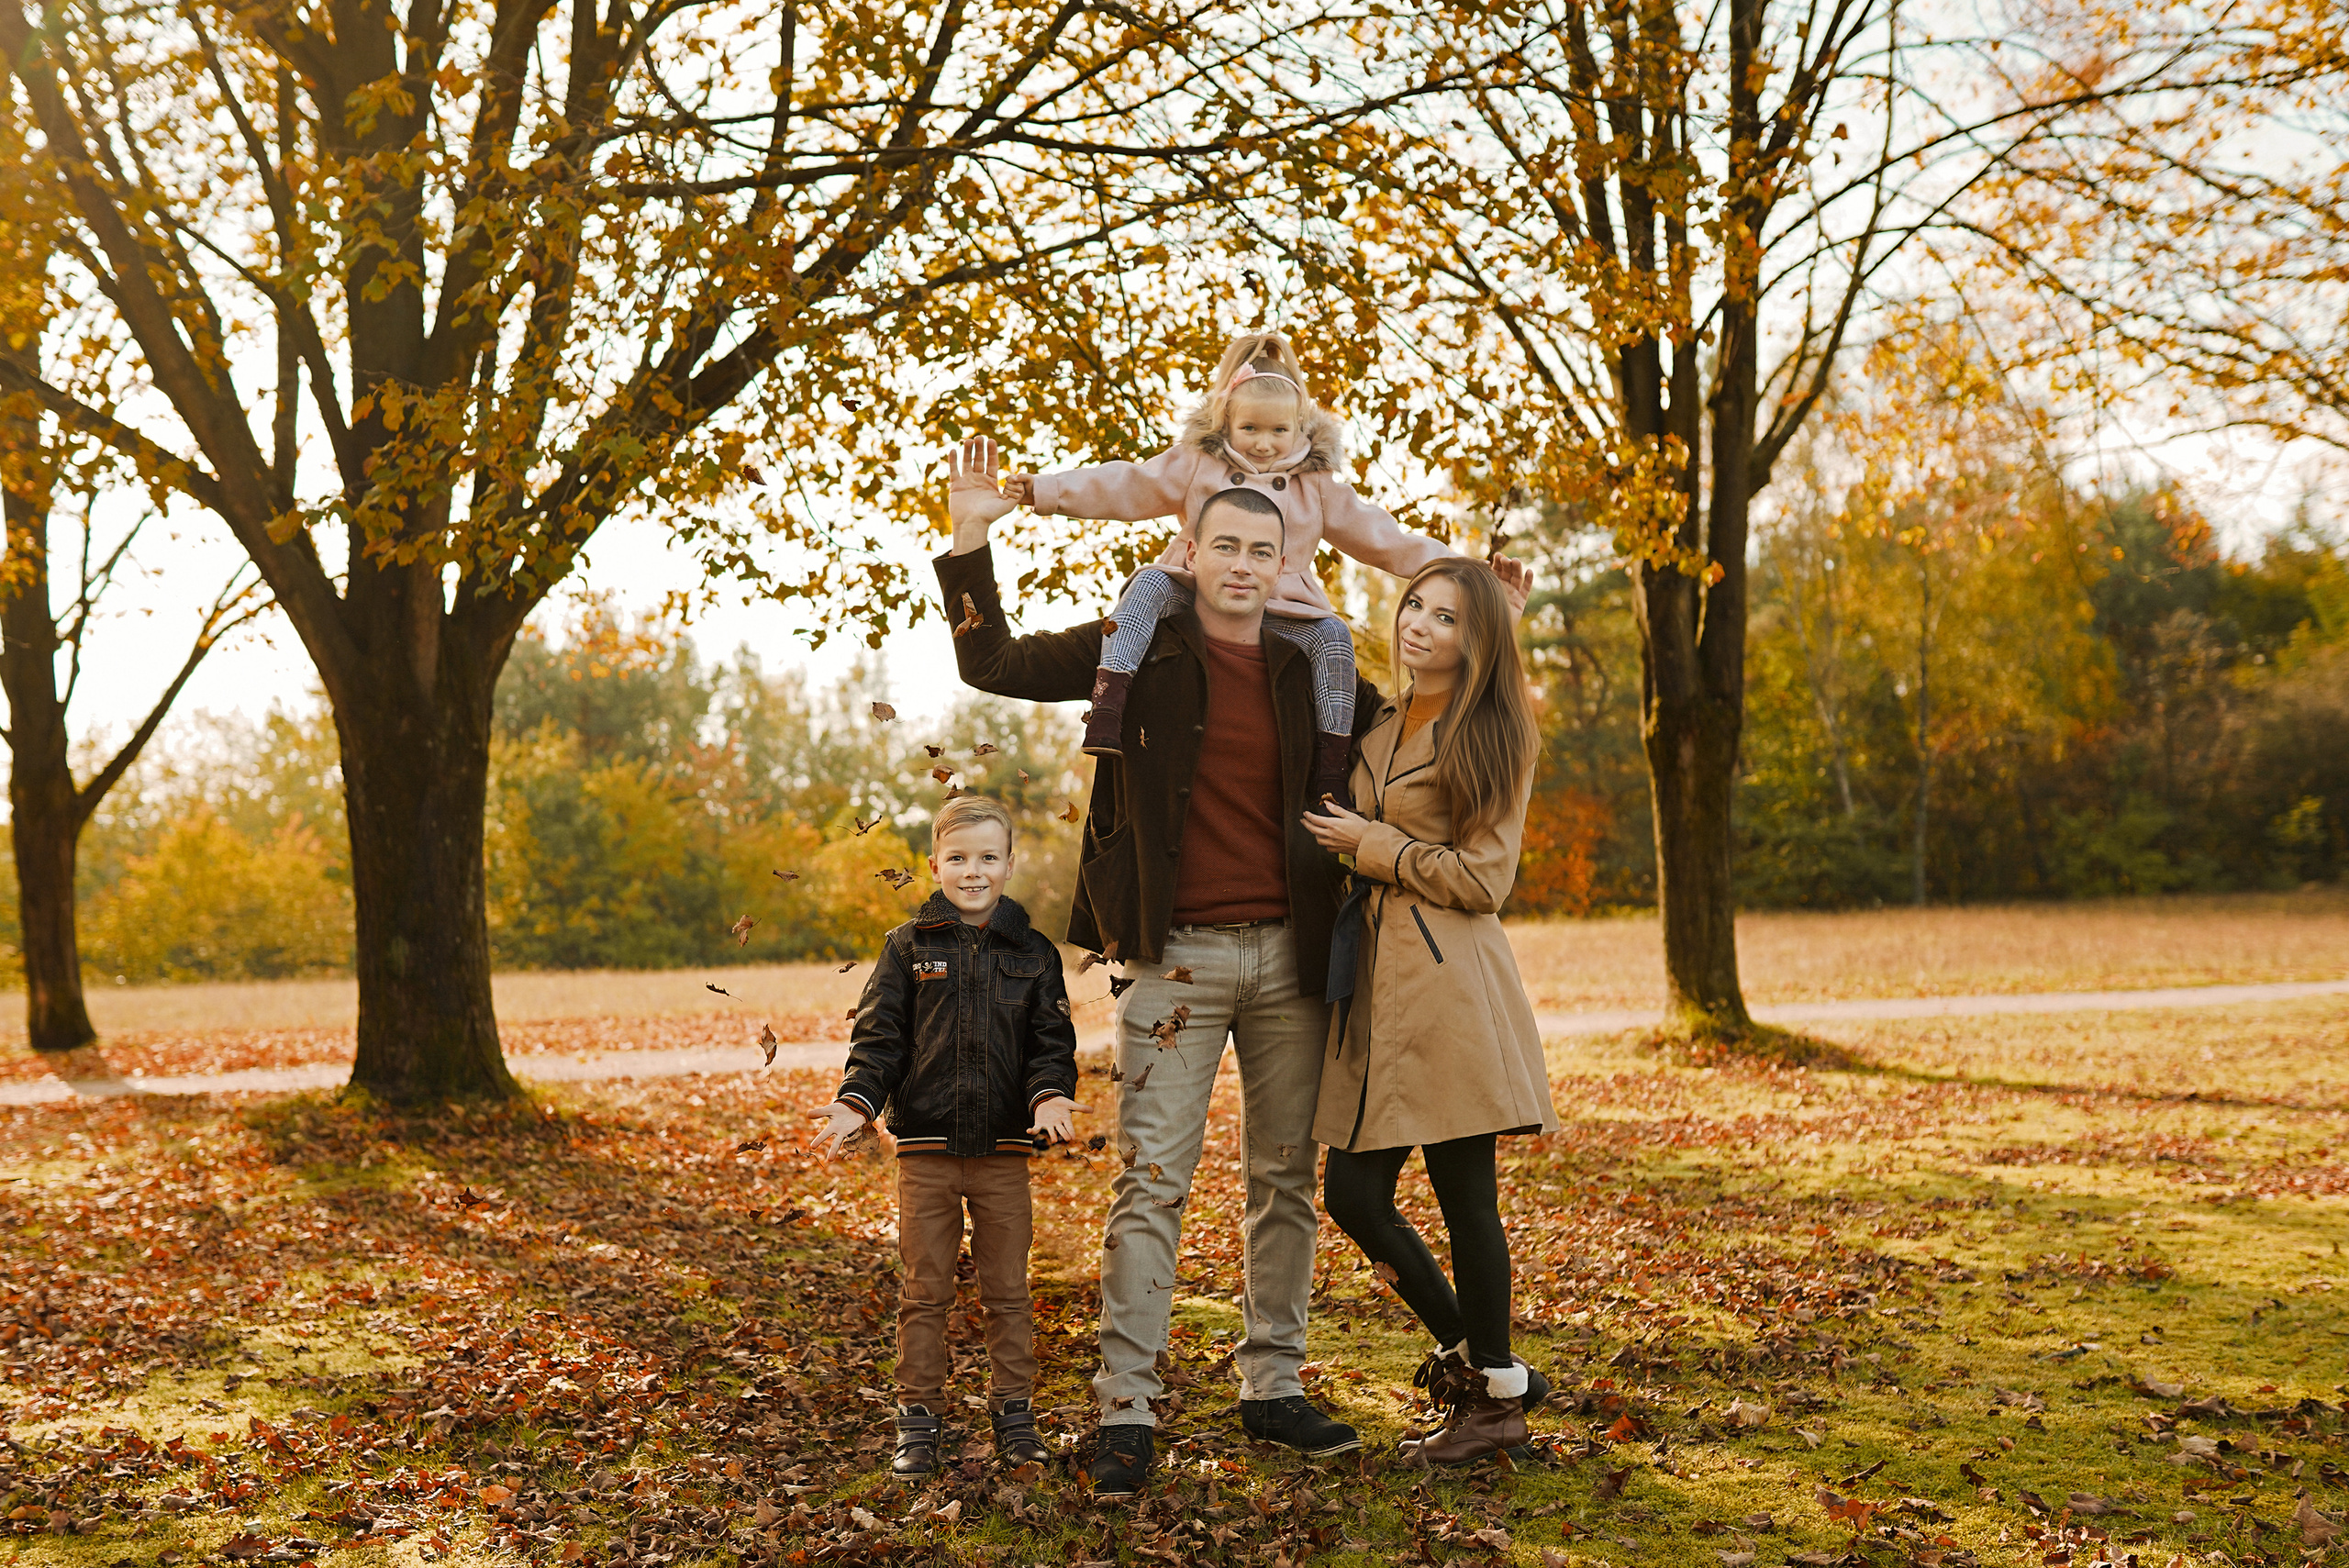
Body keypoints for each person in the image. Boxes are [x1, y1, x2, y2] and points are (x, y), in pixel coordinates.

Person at [1301, 557, 1561, 1466]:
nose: (1419, 624)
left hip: (1449, 984)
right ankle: (1487, 1368)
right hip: (1373, 982)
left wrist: (1374, 844)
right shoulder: (1377, 717)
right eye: (1414, 604)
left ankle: (1491, 1409)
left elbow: (1485, 878)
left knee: (1465, 1198)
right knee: (1353, 1193)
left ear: (1475, 639)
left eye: (1446, 616)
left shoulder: (1492, 732)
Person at [997, 329, 1455, 805]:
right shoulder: (1199, 462)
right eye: (1250, 429)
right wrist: (1047, 491)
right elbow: (1126, 484)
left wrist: (1459, 567)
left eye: (1279, 431)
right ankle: (1110, 700)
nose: (1263, 444)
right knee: (1148, 585)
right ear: (1227, 423)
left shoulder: (1315, 483)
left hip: (1285, 604)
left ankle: (1332, 763)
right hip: (1196, 588)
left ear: (1300, 428)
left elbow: (1381, 537)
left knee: (1335, 639)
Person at [807, 795, 1082, 1479]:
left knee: (1008, 1289)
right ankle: (918, 1418)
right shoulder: (906, 947)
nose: (973, 871)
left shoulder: (1035, 952)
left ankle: (1015, 1413)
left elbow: (1052, 1044)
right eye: (958, 858)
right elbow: (879, 1040)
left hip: (1003, 1152)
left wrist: (1049, 1095)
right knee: (924, 1288)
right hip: (926, 1153)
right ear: (935, 864)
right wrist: (855, 1103)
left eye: (988, 857)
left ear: (1009, 864)